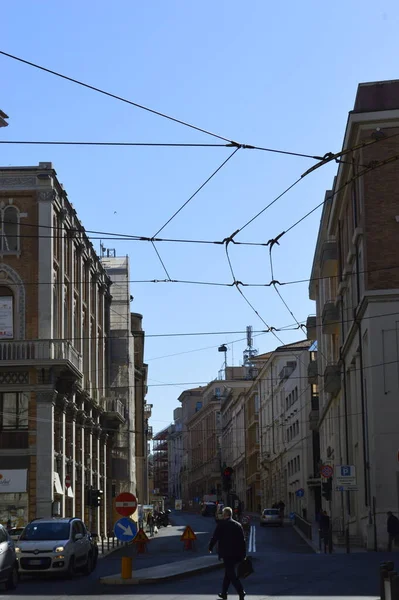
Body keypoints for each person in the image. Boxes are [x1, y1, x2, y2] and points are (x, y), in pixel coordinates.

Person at [209, 506, 246, 600]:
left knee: (231, 574)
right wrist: (244, 554)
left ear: (225, 514)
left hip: (227, 553)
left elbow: (215, 537)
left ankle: (241, 591)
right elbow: (243, 541)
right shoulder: (238, 525)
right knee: (228, 573)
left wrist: (210, 547)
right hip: (237, 553)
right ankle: (224, 593)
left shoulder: (221, 524)